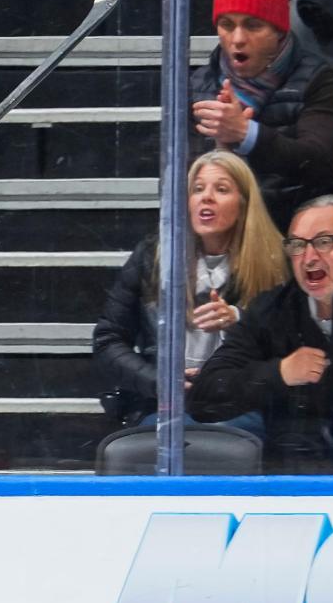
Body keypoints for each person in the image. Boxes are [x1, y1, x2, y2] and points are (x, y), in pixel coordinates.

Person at [93, 151, 284, 427]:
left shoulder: (274, 262)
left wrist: (241, 321)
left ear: (244, 204)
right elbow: (108, 339)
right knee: (159, 436)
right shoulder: (152, 257)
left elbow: (293, 346)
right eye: (197, 189)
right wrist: (158, 381)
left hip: (242, 406)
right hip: (162, 406)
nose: (206, 197)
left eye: (221, 189)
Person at [190, 195, 333, 467]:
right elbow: (205, 397)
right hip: (294, 480)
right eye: (297, 245)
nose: (309, 257)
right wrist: (278, 373)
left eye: (323, 242)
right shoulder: (272, 311)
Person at [189, 0, 333, 229]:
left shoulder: (317, 78)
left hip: (291, 225)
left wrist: (247, 134)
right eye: (227, 25)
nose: (237, 39)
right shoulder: (198, 84)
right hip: (223, 229)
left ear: (279, 31)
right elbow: (181, 173)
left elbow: (318, 163)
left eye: (253, 25)